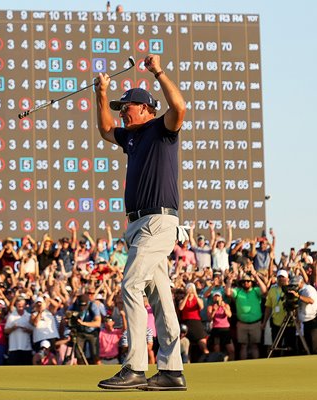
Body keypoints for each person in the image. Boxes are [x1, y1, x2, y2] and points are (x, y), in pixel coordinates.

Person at [95, 53, 187, 390]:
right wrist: (101, 94)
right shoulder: (131, 138)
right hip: (138, 226)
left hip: (157, 222)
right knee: (161, 299)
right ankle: (172, 371)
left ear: (146, 108)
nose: (123, 111)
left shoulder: (161, 129)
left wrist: (158, 71)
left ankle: (135, 366)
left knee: (131, 285)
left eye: (128, 106)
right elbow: (106, 129)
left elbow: (179, 108)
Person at [226, 265, 267, 360]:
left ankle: (256, 366)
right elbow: (228, 293)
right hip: (242, 324)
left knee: (254, 346)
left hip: (255, 323)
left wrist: (256, 276)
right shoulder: (238, 291)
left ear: (251, 283)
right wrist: (230, 280)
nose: (246, 283)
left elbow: (264, 290)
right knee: (243, 346)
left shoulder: (256, 291)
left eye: (248, 281)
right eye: (244, 281)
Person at [263, 270, 296, 356]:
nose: (281, 279)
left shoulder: (292, 289)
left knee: (290, 347)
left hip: (290, 323)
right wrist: (264, 322)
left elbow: (296, 304)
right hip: (276, 323)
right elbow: (268, 307)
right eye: (279, 277)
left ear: (287, 279)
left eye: (283, 277)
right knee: (276, 346)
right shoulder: (272, 290)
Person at [4, 297, 34, 365]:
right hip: (14, 348)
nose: (20, 305)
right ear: (16, 305)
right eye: (19, 304)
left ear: (25, 305)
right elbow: (6, 331)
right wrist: (13, 328)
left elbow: (33, 331)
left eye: (22, 304)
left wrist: (27, 330)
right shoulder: (11, 316)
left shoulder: (29, 316)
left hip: (26, 348)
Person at [292, 276, 317, 353]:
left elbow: (311, 300)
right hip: (304, 321)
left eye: (296, 284)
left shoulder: (309, 289)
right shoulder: (300, 290)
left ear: (301, 282)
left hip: (312, 320)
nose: (294, 286)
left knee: (313, 346)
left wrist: (298, 296)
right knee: (306, 345)